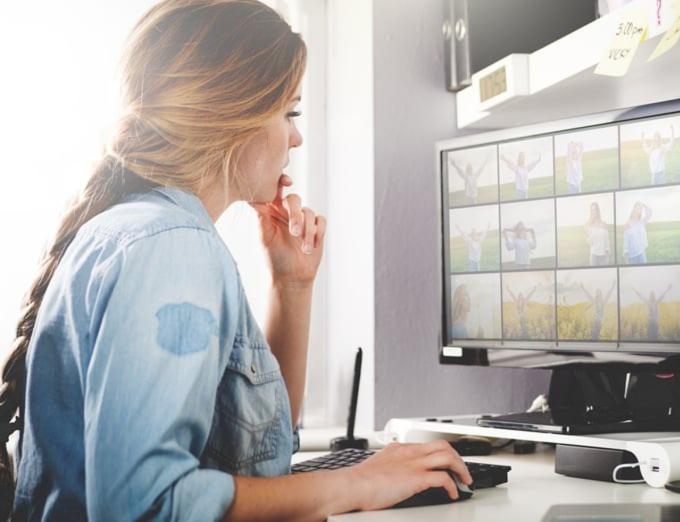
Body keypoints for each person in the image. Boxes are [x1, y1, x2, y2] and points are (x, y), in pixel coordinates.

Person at [0, 2, 471, 520]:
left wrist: (291, 285)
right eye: (289, 113)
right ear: (234, 116)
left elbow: (262, 452)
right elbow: (147, 505)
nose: (297, 137)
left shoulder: (146, 229)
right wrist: (358, 482)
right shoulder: (171, 246)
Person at [584, 202, 610, 266]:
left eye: (595, 209)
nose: (593, 212)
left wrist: (607, 254)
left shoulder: (604, 224)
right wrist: (588, 240)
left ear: (598, 211)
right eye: (592, 210)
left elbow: (607, 241)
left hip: (603, 255)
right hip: (594, 255)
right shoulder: (588, 224)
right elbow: (588, 239)